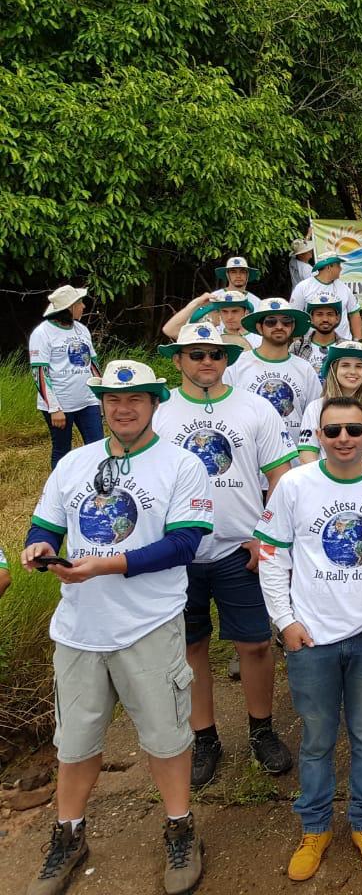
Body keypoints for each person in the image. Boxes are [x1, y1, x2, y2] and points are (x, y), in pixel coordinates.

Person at [22, 360, 212, 895]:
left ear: (154, 404)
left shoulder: (181, 465)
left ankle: (180, 828)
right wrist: (39, 544)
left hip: (148, 623)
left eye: (135, 400)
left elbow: (184, 543)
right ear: (101, 406)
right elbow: (47, 523)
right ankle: (69, 834)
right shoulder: (75, 463)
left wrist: (107, 564)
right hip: (79, 626)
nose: (122, 409)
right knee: (75, 742)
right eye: (111, 401)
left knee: (166, 737)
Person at [257, 397, 362, 881]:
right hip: (312, 639)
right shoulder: (295, 487)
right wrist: (285, 621)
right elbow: (271, 555)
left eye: (352, 429)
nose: (343, 438)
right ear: (317, 436)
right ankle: (315, 826)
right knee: (317, 740)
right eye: (332, 431)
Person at [152, 325, 297, 789]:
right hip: (181, 551)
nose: (206, 362)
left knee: (254, 644)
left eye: (215, 353)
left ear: (227, 357)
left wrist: (266, 535)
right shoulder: (160, 414)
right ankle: (205, 738)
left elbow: (280, 477)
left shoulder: (255, 408)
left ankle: (261, 729)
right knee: (191, 647)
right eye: (195, 354)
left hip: (241, 545)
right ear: (178, 360)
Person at [229, 297, 322, 447]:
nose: (279, 326)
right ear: (259, 327)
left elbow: (316, 417)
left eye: (286, 322)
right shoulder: (237, 366)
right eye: (271, 322)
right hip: (249, 461)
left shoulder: (305, 369)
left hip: (295, 462)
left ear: (292, 327)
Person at [30, 284, 102, 469]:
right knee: (62, 450)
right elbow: (39, 373)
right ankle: (59, 492)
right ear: (69, 308)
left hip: (88, 401)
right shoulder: (42, 333)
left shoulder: (82, 329)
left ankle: (97, 487)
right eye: (80, 303)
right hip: (61, 406)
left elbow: (92, 364)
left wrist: (101, 395)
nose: (83, 307)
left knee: (98, 447)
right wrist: (54, 408)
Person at [297, 342, 362, 469]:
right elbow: (307, 456)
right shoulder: (315, 408)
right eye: (345, 365)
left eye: (359, 366)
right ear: (334, 370)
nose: (353, 371)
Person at [289, 251, 361, 341]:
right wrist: (297, 343)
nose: (341, 269)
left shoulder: (344, 288)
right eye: (338, 265)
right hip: (312, 346)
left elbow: (354, 314)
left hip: (343, 345)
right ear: (329, 267)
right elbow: (295, 316)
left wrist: (357, 341)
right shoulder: (303, 287)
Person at [291, 293, 344, 378]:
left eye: (330, 314)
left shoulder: (347, 347)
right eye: (319, 314)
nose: (325, 319)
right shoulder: (297, 347)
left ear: (337, 318)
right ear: (311, 319)